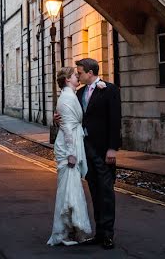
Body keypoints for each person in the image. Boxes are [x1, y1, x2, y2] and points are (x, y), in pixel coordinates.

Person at [55, 58, 121, 249]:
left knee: (107, 192)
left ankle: (108, 235)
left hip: (103, 150)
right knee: (95, 191)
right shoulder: (80, 92)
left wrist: (112, 148)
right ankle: (99, 233)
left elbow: (115, 120)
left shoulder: (109, 90)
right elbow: (71, 117)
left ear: (90, 73)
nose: (78, 75)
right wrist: (56, 119)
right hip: (85, 150)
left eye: (80, 72)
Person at [47, 66, 92, 246]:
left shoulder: (71, 94)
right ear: (67, 79)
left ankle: (73, 228)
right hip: (68, 147)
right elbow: (66, 128)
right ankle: (66, 230)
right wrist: (71, 154)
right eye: (75, 75)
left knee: (72, 189)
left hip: (72, 142)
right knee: (69, 189)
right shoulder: (66, 97)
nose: (77, 77)